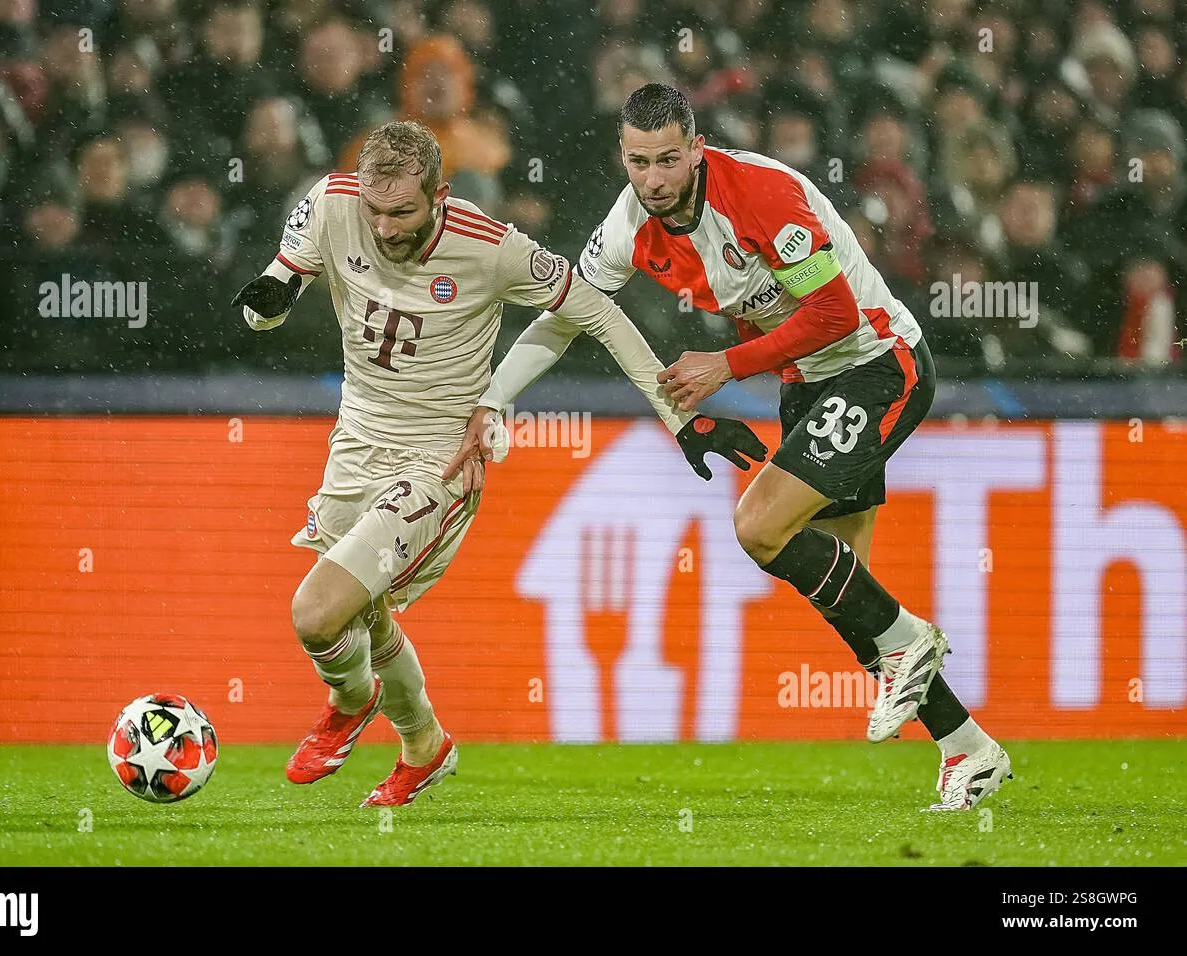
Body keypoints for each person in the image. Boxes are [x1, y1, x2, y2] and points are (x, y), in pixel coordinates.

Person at [459, 84, 1010, 811]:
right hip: (808, 381)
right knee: (851, 594)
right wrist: (493, 397)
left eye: (666, 160)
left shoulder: (759, 196)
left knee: (759, 527)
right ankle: (970, 750)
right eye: (637, 162)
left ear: (695, 150)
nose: (652, 179)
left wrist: (725, 365)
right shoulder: (628, 224)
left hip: (879, 364)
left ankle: (913, 642)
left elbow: (835, 311)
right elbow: (567, 317)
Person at [232, 119, 761, 807]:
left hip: (439, 461)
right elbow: (272, 297)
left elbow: (596, 312)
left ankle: (350, 700)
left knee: (316, 612)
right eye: (375, 210)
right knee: (361, 613)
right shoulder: (329, 202)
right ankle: (425, 747)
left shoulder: (490, 248)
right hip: (354, 444)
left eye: (403, 212)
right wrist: (264, 310)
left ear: (441, 195)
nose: (386, 228)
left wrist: (678, 416)